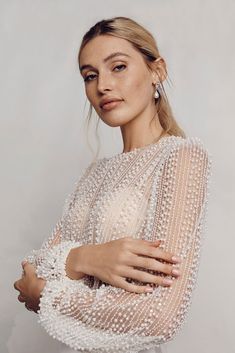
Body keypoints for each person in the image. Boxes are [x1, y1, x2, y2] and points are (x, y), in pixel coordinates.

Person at [13, 16, 212, 353]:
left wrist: (48, 293)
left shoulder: (180, 157)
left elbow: (159, 315)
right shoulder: (94, 174)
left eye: (118, 67)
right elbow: (31, 269)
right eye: (90, 76)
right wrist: (83, 259)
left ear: (157, 71)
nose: (102, 85)